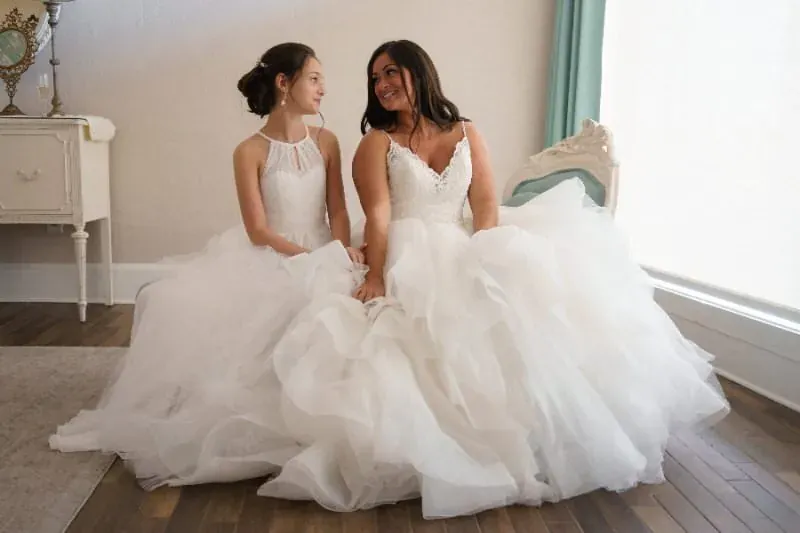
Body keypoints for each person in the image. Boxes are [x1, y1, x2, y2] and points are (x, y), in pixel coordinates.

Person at [253, 40, 730, 519]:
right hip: (405, 249)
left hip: (467, 240)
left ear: (419, 72)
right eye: (375, 79)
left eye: (391, 72)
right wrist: (376, 275)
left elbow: (484, 204)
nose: (382, 85)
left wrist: (485, 254)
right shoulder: (377, 142)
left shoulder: (465, 131)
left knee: (521, 305)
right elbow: (377, 215)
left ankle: (541, 437)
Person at [49, 42, 366, 489]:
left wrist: (337, 253)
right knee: (219, 317)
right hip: (273, 254)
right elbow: (257, 230)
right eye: (314, 78)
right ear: (284, 83)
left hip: (324, 250)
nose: (323, 89)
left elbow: (339, 212)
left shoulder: (327, 142)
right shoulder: (248, 151)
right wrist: (308, 259)